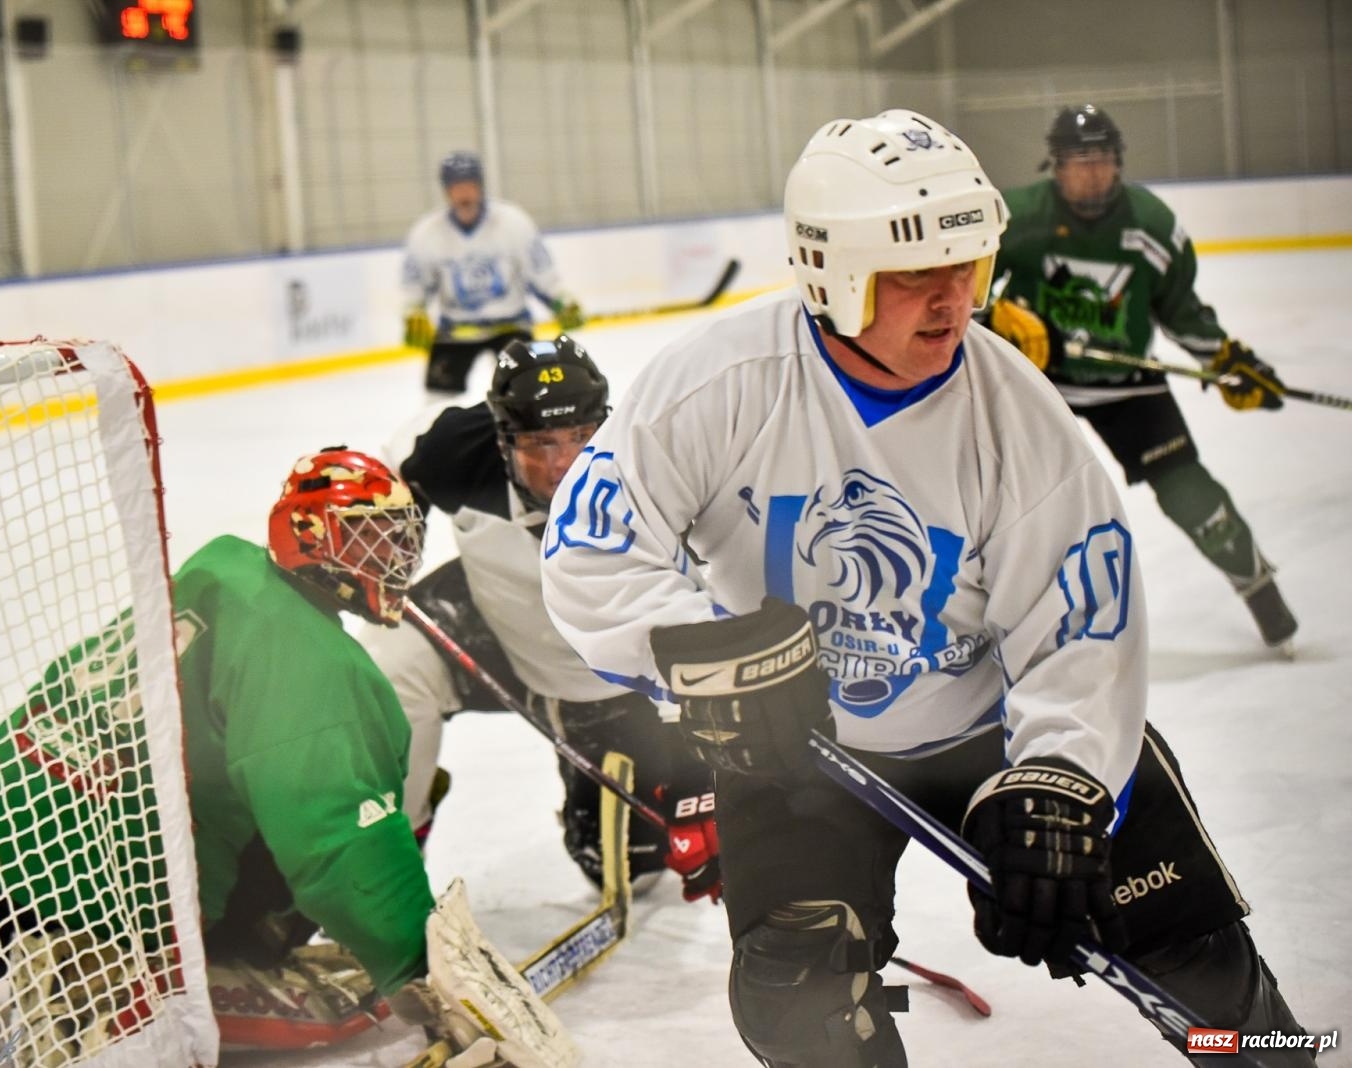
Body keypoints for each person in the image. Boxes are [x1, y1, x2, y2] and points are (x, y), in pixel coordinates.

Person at [540, 109, 1311, 1066]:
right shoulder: (715, 385)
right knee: (801, 1000)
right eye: (914, 275)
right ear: (832, 271)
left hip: (990, 731)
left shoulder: (1023, 422)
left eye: (968, 267)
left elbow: (1082, 630)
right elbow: (594, 551)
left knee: (1193, 955)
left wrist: (1063, 780)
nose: (953, 301)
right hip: (796, 747)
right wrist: (704, 659)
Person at [0, 448, 571, 1065]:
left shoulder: (223, 569)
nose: (391, 561)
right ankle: (90, 960)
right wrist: (414, 966)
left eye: (399, 539)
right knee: (365, 797)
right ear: (314, 538)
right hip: (108, 892)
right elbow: (335, 838)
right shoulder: (316, 665)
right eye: (368, 540)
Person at [361, 336, 720, 904]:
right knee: (386, 669)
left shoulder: (655, 477)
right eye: (538, 443)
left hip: (609, 680)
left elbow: (703, 629)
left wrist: (700, 778)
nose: (560, 465)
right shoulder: (454, 449)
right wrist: (381, 536)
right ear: (502, 440)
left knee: (626, 866)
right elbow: (377, 477)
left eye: (580, 439)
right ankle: (382, 867)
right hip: (493, 628)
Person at [987, 104, 1296, 652]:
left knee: (1188, 491)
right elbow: (966, 286)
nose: (1091, 173)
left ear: (1118, 162)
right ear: (1055, 166)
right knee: (1016, 502)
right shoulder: (1017, 218)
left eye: (1102, 159)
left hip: (1127, 383)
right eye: (1078, 162)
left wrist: (1224, 359)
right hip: (1040, 385)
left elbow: (1181, 309)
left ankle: (1258, 585)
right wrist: (992, 320)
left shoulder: (1151, 226)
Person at [401, 150, 585, 395]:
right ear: (446, 190)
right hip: (456, 330)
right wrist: (414, 310)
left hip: (510, 326)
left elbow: (540, 272)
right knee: (437, 401)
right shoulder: (427, 233)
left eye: (469, 185)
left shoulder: (513, 222)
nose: (464, 193)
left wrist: (561, 299)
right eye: (456, 186)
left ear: (480, 186)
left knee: (531, 392)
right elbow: (415, 284)